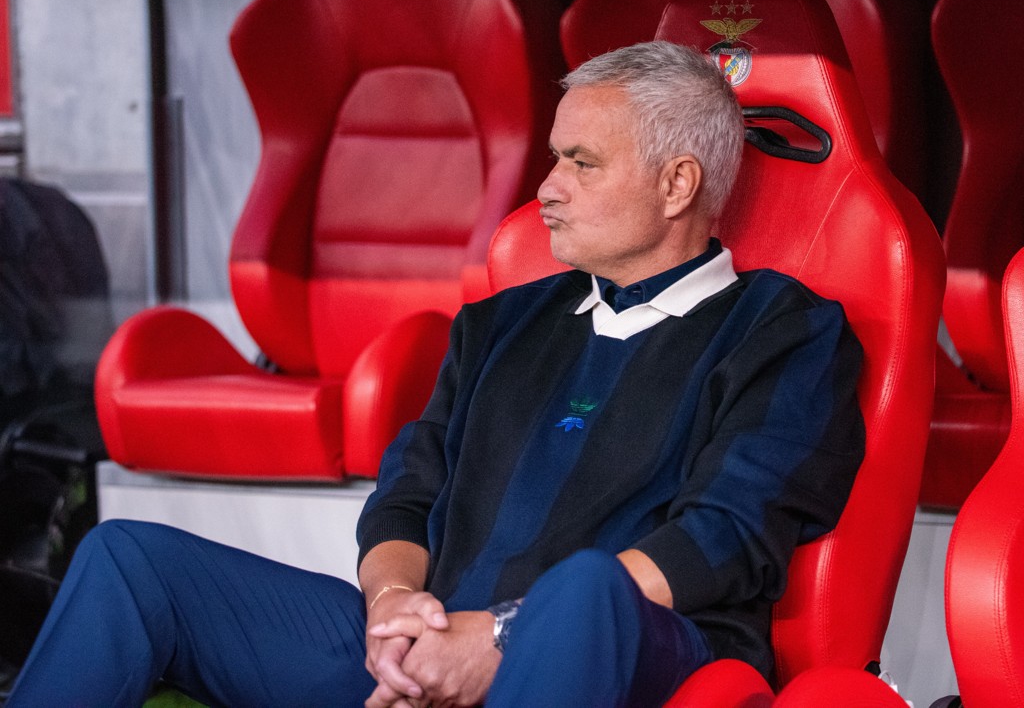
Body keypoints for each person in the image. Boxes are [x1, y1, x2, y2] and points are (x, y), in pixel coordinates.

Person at [6, 41, 864, 708]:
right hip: (437, 635)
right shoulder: (501, 321)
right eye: (554, 158)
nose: (547, 187)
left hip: (632, 649)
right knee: (128, 558)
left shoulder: (783, 329)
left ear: (677, 184)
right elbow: (407, 493)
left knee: (583, 586)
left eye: (581, 162)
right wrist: (393, 606)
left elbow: (723, 536)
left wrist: (500, 636)